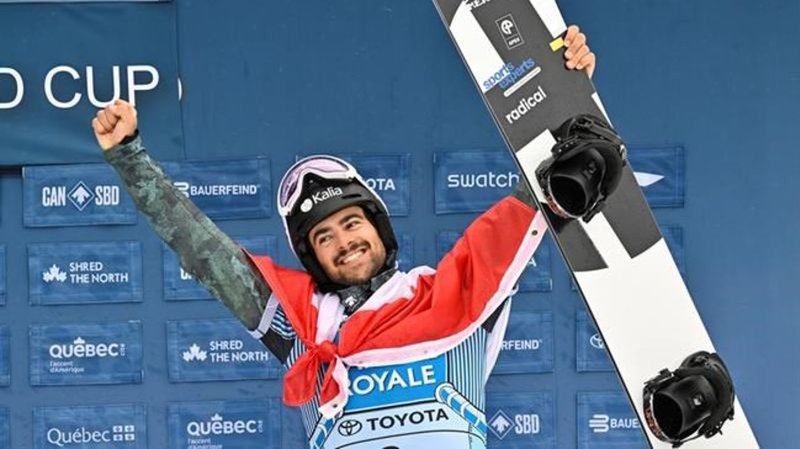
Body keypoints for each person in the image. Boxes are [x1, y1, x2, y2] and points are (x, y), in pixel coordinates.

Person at [92, 26, 596, 449]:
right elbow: (204, 253)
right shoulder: (300, 327)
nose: (344, 241)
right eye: (324, 236)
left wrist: (567, 90)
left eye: (352, 223)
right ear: (312, 257)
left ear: (379, 228)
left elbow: (539, 195)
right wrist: (130, 158)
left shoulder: (455, 295)